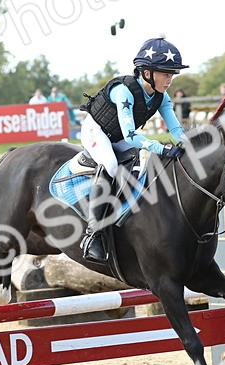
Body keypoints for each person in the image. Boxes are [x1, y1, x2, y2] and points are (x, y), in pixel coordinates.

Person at [77, 36, 188, 263]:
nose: (169, 80)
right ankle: (93, 234)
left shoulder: (161, 97)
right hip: (95, 131)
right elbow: (131, 135)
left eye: (172, 75)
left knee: (142, 162)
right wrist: (162, 148)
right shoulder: (123, 91)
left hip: (117, 136)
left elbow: (176, 129)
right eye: (165, 74)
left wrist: (190, 144)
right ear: (147, 72)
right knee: (109, 163)